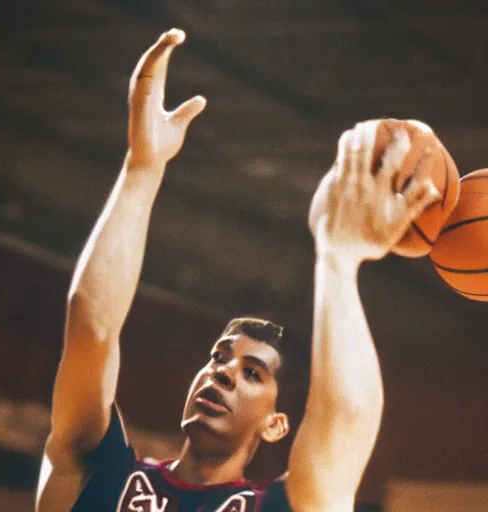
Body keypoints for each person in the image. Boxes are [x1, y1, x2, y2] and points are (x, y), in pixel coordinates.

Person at [35, 28, 439, 512]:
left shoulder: (285, 505)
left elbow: (348, 418)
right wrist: (142, 168)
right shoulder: (97, 475)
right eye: (219, 357)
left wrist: (340, 258)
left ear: (275, 425)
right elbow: (91, 324)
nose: (222, 373)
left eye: (252, 373)